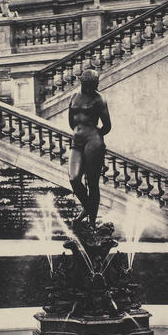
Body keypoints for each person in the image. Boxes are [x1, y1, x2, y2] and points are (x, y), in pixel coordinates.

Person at [68, 69, 111, 228]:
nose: (96, 86)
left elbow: (107, 126)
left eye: (96, 84)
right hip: (77, 140)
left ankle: (92, 222)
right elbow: (71, 122)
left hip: (93, 140)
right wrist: (80, 132)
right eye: (93, 84)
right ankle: (88, 208)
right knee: (74, 179)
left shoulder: (100, 99)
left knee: (92, 183)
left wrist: (95, 136)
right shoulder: (74, 96)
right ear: (84, 83)